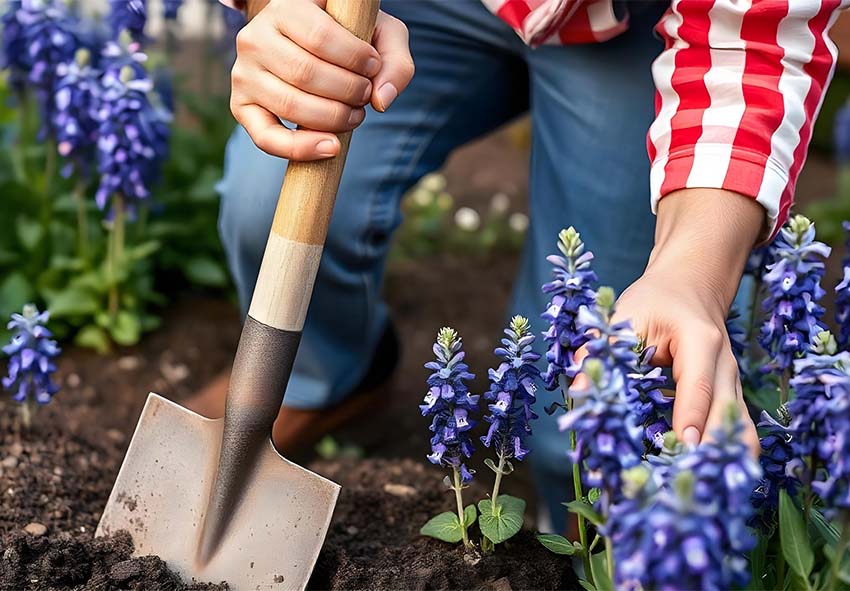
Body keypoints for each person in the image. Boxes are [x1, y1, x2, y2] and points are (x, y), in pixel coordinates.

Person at [190, 0, 846, 528]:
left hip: (651, 28)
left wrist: (694, 271)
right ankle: (324, 377)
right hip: (410, 13)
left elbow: (753, 37)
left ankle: (595, 540)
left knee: (595, 416)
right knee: (261, 200)